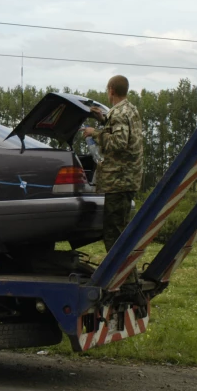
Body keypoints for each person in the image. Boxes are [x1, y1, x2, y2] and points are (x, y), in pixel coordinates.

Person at [82, 75, 144, 259]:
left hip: (118, 180)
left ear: (111, 90)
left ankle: (123, 279)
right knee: (121, 231)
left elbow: (119, 143)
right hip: (128, 179)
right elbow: (122, 132)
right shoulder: (130, 110)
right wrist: (102, 120)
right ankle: (126, 277)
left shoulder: (118, 113)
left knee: (113, 234)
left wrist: (96, 133)